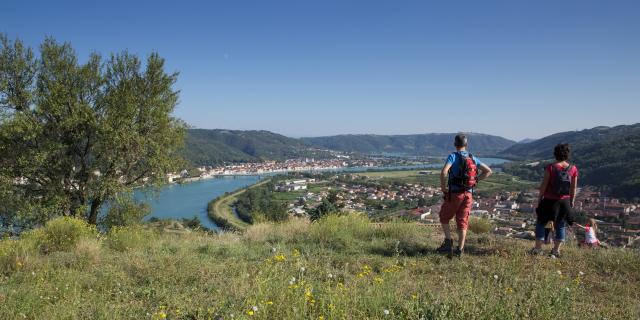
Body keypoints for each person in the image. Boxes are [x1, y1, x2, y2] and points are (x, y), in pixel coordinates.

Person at [436, 134, 492, 257]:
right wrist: (476, 180)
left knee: (444, 217)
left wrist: (443, 187)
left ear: (455, 144)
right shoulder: (472, 157)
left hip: (456, 194)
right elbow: (488, 171)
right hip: (469, 194)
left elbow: (444, 172)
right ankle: (459, 250)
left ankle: (448, 243)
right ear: (466, 145)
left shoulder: (453, 156)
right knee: (462, 221)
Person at [530, 143, 578, 258]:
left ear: (555, 154)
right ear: (567, 154)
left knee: (541, 222)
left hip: (549, 200)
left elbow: (544, 185)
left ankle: (538, 249)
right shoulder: (573, 169)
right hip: (564, 201)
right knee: (560, 225)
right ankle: (556, 251)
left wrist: (539, 198)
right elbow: (573, 187)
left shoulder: (551, 167)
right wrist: (572, 201)